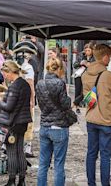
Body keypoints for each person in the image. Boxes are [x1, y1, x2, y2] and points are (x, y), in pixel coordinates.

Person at [81, 44, 111, 186]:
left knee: (91, 153)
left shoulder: (86, 74)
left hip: (91, 118)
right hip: (106, 119)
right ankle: (105, 184)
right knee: (105, 155)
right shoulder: (108, 75)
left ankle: (91, 183)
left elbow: (86, 97)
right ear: (105, 57)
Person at [0, 60, 32, 186]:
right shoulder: (25, 84)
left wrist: (0, 100)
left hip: (13, 123)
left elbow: (9, 107)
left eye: (5, 73)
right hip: (23, 122)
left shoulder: (14, 86)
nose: (5, 76)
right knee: (20, 151)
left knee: (11, 152)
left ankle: (11, 180)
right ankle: (21, 180)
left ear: (10, 72)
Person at [36, 57, 71, 186]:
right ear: (60, 69)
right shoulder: (60, 83)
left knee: (43, 163)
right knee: (58, 164)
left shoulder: (40, 83)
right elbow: (65, 104)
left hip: (45, 125)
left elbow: (40, 104)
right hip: (59, 126)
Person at [73, 43, 95, 107]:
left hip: (89, 75)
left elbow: (95, 65)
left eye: (89, 50)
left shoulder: (94, 57)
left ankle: (85, 102)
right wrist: (80, 63)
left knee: (86, 89)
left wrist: (89, 64)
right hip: (79, 74)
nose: (87, 52)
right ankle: (77, 103)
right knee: (78, 89)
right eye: (86, 50)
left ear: (92, 50)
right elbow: (74, 65)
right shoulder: (81, 55)